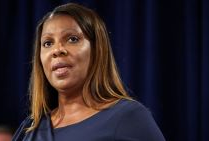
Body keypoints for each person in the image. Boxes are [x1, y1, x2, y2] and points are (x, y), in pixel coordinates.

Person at [12, 3, 165, 141]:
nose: (57, 50)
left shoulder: (128, 117)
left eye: (72, 39)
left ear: (98, 50)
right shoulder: (29, 129)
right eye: (48, 43)